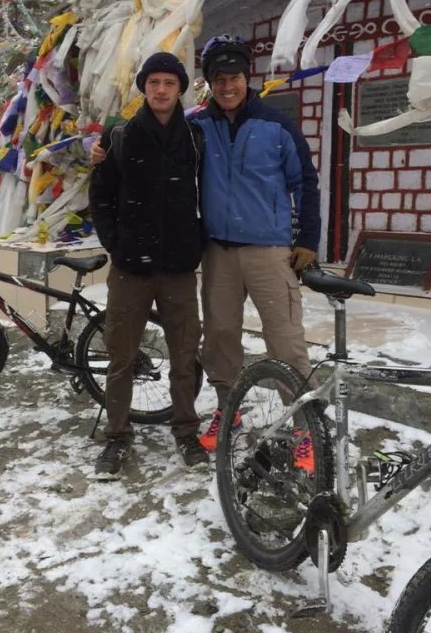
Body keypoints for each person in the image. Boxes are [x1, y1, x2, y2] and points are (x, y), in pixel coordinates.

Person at [189, 34, 321, 451]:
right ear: (210, 83)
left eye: (234, 77)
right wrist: (106, 144)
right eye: (219, 79)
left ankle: (305, 427)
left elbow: (306, 182)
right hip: (218, 252)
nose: (227, 86)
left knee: (285, 339)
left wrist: (308, 237)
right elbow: (155, 143)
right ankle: (228, 411)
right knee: (219, 337)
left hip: (269, 250)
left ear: (248, 78)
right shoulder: (197, 126)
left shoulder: (277, 125)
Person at [89, 52, 209, 480]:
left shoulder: (195, 137)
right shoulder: (119, 135)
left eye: (169, 83)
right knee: (121, 356)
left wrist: (197, 242)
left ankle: (186, 430)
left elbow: (208, 191)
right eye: (154, 82)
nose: (161, 90)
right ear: (144, 87)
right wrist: (116, 243)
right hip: (130, 268)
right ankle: (117, 436)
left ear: (180, 90)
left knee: (184, 354)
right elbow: (100, 196)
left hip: (178, 266)